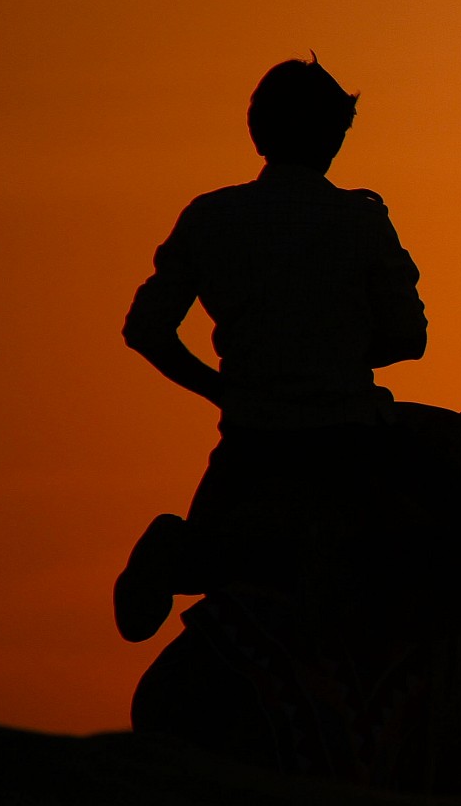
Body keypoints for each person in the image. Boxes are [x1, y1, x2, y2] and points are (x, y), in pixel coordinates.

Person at [114, 56, 429, 641]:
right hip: (348, 444)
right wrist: (337, 348)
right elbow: (410, 339)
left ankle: (179, 551)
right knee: (432, 561)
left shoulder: (212, 217)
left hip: (251, 441)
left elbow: (146, 329)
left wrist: (220, 386)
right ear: (334, 135)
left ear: (258, 131)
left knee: (219, 553)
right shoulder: (358, 220)